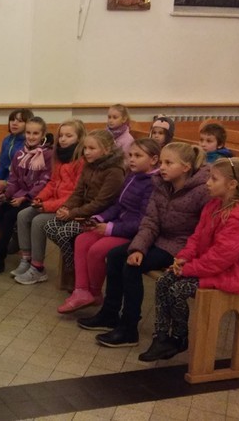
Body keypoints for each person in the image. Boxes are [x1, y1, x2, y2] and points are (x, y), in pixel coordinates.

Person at [81, 143, 210, 348]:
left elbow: (204, 230)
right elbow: (150, 221)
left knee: (132, 267)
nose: (162, 167)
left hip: (180, 246)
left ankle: (129, 328)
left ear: (185, 167)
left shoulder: (202, 191)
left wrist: (186, 256)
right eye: (162, 162)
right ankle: (109, 314)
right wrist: (138, 248)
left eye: (169, 163)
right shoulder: (161, 184)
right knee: (116, 255)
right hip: (159, 239)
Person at [139, 157, 239, 361]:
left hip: (231, 275)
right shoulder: (214, 205)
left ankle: (179, 338)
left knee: (177, 289)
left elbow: (220, 258)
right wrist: (183, 258)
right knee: (163, 282)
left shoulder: (238, 218)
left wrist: (188, 269)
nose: (208, 182)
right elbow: (196, 238)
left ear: (232, 184)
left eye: (214, 179)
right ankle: (161, 338)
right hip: (208, 268)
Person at [59, 139, 160, 313]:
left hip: (134, 233)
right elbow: (118, 205)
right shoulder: (132, 176)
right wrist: (98, 219)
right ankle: (81, 291)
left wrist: (109, 228)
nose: (132, 159)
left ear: (153, 159)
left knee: (97, 249)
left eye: (138, 156)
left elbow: (143, 221)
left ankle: (95, 292)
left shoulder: (153, 184)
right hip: (118, 224)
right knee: (82, 240)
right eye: (130, 155)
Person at [38, 130, 126, 287]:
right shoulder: (89, 165)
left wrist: (72, 213)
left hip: (100, 216)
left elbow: (101, 203)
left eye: (92, 148)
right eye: (85, 148)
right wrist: (66, 207)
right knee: (50, 226)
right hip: (82, 212)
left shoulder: (114, 171)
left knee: (64, 232)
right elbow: (78, 193)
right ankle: (75, 265)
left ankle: (74, 272)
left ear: (106, 150)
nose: (86, 152)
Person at [13, 119, 86, 279]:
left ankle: (38, 268)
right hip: (53, 202)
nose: (63, 139)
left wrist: (47, 206)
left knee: (38, 221)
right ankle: (26, 259)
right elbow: (52, 183)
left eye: (69, 136)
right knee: (23, 215)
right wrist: (40, 199)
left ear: (79, 138)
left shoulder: (81, 161)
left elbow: (75, 195)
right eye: (61, 135)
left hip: (69, 207)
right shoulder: (59, 156)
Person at [0, 117, 52, 276]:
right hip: (17, 196)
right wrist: (6, 194)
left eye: (35, 133)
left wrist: (25, 197)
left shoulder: (47, 155)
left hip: (35, 199)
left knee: (8, 218)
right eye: (28, 133)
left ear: (43, 135)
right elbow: (13, 179)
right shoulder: (20, 154)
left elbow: (44, 182)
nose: (31, 137)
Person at [0, 109, 32, 194]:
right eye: (12, 120)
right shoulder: (7, 140)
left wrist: (7, 183)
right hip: (4, 181)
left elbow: (26, 173)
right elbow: (2, 165)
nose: (14, 123)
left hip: (20, 186)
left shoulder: (29, 143)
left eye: (20, 121)